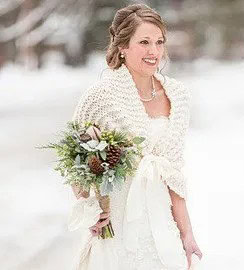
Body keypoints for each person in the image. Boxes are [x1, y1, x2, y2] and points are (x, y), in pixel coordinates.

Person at [69, 3, 203, 270]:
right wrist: (93, 208)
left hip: (162, 227)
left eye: (159, 42)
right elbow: (76, 163)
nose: (153, 51)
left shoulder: (179, 96)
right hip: (117, 227)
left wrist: (186, 233)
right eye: (144, 42)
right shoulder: (101, 96)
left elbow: (173, 173)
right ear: (122, 47)